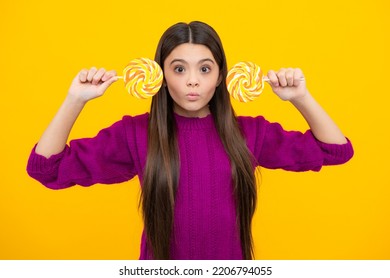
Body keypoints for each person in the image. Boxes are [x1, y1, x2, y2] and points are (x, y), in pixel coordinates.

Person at [27, 21, 354, 260]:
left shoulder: (250, 133)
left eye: (205, 69)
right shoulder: (136, 134)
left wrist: (300, 97)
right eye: (179, 69)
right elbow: (46, 169)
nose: (193, 81)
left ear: (221, 76)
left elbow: (336, 151)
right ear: (160, 75)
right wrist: (76, 98)